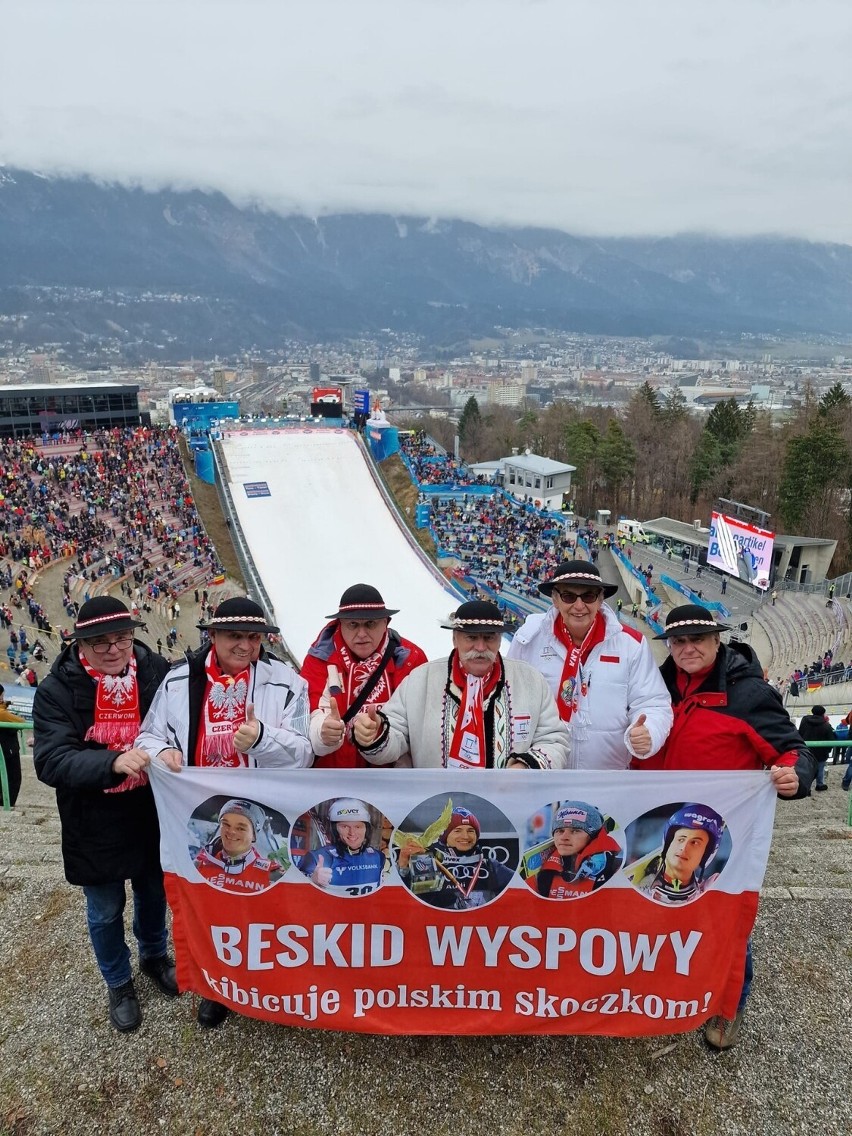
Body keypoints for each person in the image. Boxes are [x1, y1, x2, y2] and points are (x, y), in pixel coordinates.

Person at [638, 604, 816, 1051]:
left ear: (718, 641)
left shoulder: (748, 693)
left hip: (722, 837)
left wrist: (796, 774)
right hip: (661, 827)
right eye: (678, 641)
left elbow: (793, 749)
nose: (688, 648)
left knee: (727, 920)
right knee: (659, 910)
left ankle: (727, 1005)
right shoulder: (653, 687)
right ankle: (669, 989)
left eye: (698, 639)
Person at [136, 596, 312, 1029]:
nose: (246, 646)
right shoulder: (178, 680)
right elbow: (148, 737)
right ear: (212, 636)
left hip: (262, 817)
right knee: (210, 903)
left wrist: (262, 739)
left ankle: (266, 984)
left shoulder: (286, 681)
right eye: (235, 636)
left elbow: (304, 754)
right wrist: (165, 753)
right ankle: (219, 987)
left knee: (264, 900)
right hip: (198, 815)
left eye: (254, 638)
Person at [32, 596, 176, 1033]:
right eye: (101, 643)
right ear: (81, 644)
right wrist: (111, 762)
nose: (114, 650)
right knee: (105, 908)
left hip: (150, 810)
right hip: (93, 818)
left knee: (155, 893)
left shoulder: (157, 673)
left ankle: (154, 955)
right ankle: (118, 981)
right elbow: (51, 760)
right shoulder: (56, 690)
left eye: (123, 639)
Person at [353, 600, 570, 769]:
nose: (480, 646)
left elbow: (554, 740)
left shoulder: (530, 681)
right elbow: (393, 740)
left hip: (510, 810)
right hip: (438, 812)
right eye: (471, 638)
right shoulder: (421, 680)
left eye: (489, 638)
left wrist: (526, 765)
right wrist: (373, 734)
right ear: (455, 639)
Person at [506, 560, 672, 769]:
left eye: (588, 596)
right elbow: (510, 700)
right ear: (555, 600)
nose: (579, 606)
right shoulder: (528, 640)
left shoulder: (631, 644)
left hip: (606, 779)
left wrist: (650, 730)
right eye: (568, 596)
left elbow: (652, 702)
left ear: (600, 600)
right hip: (542, 774)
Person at [301, 584, 427, 768]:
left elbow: (417, 727)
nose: (361, 634)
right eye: (353, 624)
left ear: (386, 622)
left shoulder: (411, 659)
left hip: (389, 780)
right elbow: (308, 711)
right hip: (333, 776)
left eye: (370, 624)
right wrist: (322, 732)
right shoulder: (319, 659)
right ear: (340, 625)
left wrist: (380, 735)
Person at [396, 806, 515, 909]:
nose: (465, 836)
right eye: (457, 831)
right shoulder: (429, 861)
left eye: (471, 830)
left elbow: (518, 890)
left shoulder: (490, 866)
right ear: (445, 836)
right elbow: (422, 901)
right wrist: (403, 867)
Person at [632, 804, 725, 905]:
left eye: (695, 843)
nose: (684, 847)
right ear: (668, 843)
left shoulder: (711, 892)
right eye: (681, 839)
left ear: (706, 855)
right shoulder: (634, 886)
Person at [527, 802, 622, 899]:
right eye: (560, 830)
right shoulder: (543, 869)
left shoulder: (613, 867)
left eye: (575, 831)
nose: (564, 837)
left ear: (593, 836)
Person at [298, 798, 385, 896]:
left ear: (366, 829)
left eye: (358, 827)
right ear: (335, 830)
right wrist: (312, 880)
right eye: (345, 826)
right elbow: (296, 896)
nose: (352, 833)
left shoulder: (378, 857)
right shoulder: (316, 857)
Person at [194, 798, 281, 893]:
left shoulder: (272, 875)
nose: (231, 832)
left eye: (240, 828)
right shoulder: (197, 865)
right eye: (226, 824)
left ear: (254, 835)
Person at [797, 705, 835, 791]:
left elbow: (800, 733)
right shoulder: (826, 725)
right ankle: (819, 785)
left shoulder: (804, 720)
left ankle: (807, 788)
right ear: (823, 714)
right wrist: (827, 751)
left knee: (807, 769)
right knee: (820, 769)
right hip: (821, 753)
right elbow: (831, 741)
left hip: (806, 751)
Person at [0, 683, 26, 806]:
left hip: (5, 749)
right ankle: (7, 804)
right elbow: (21, 721)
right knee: (13, 778)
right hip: (8, 750)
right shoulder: (2, 714)